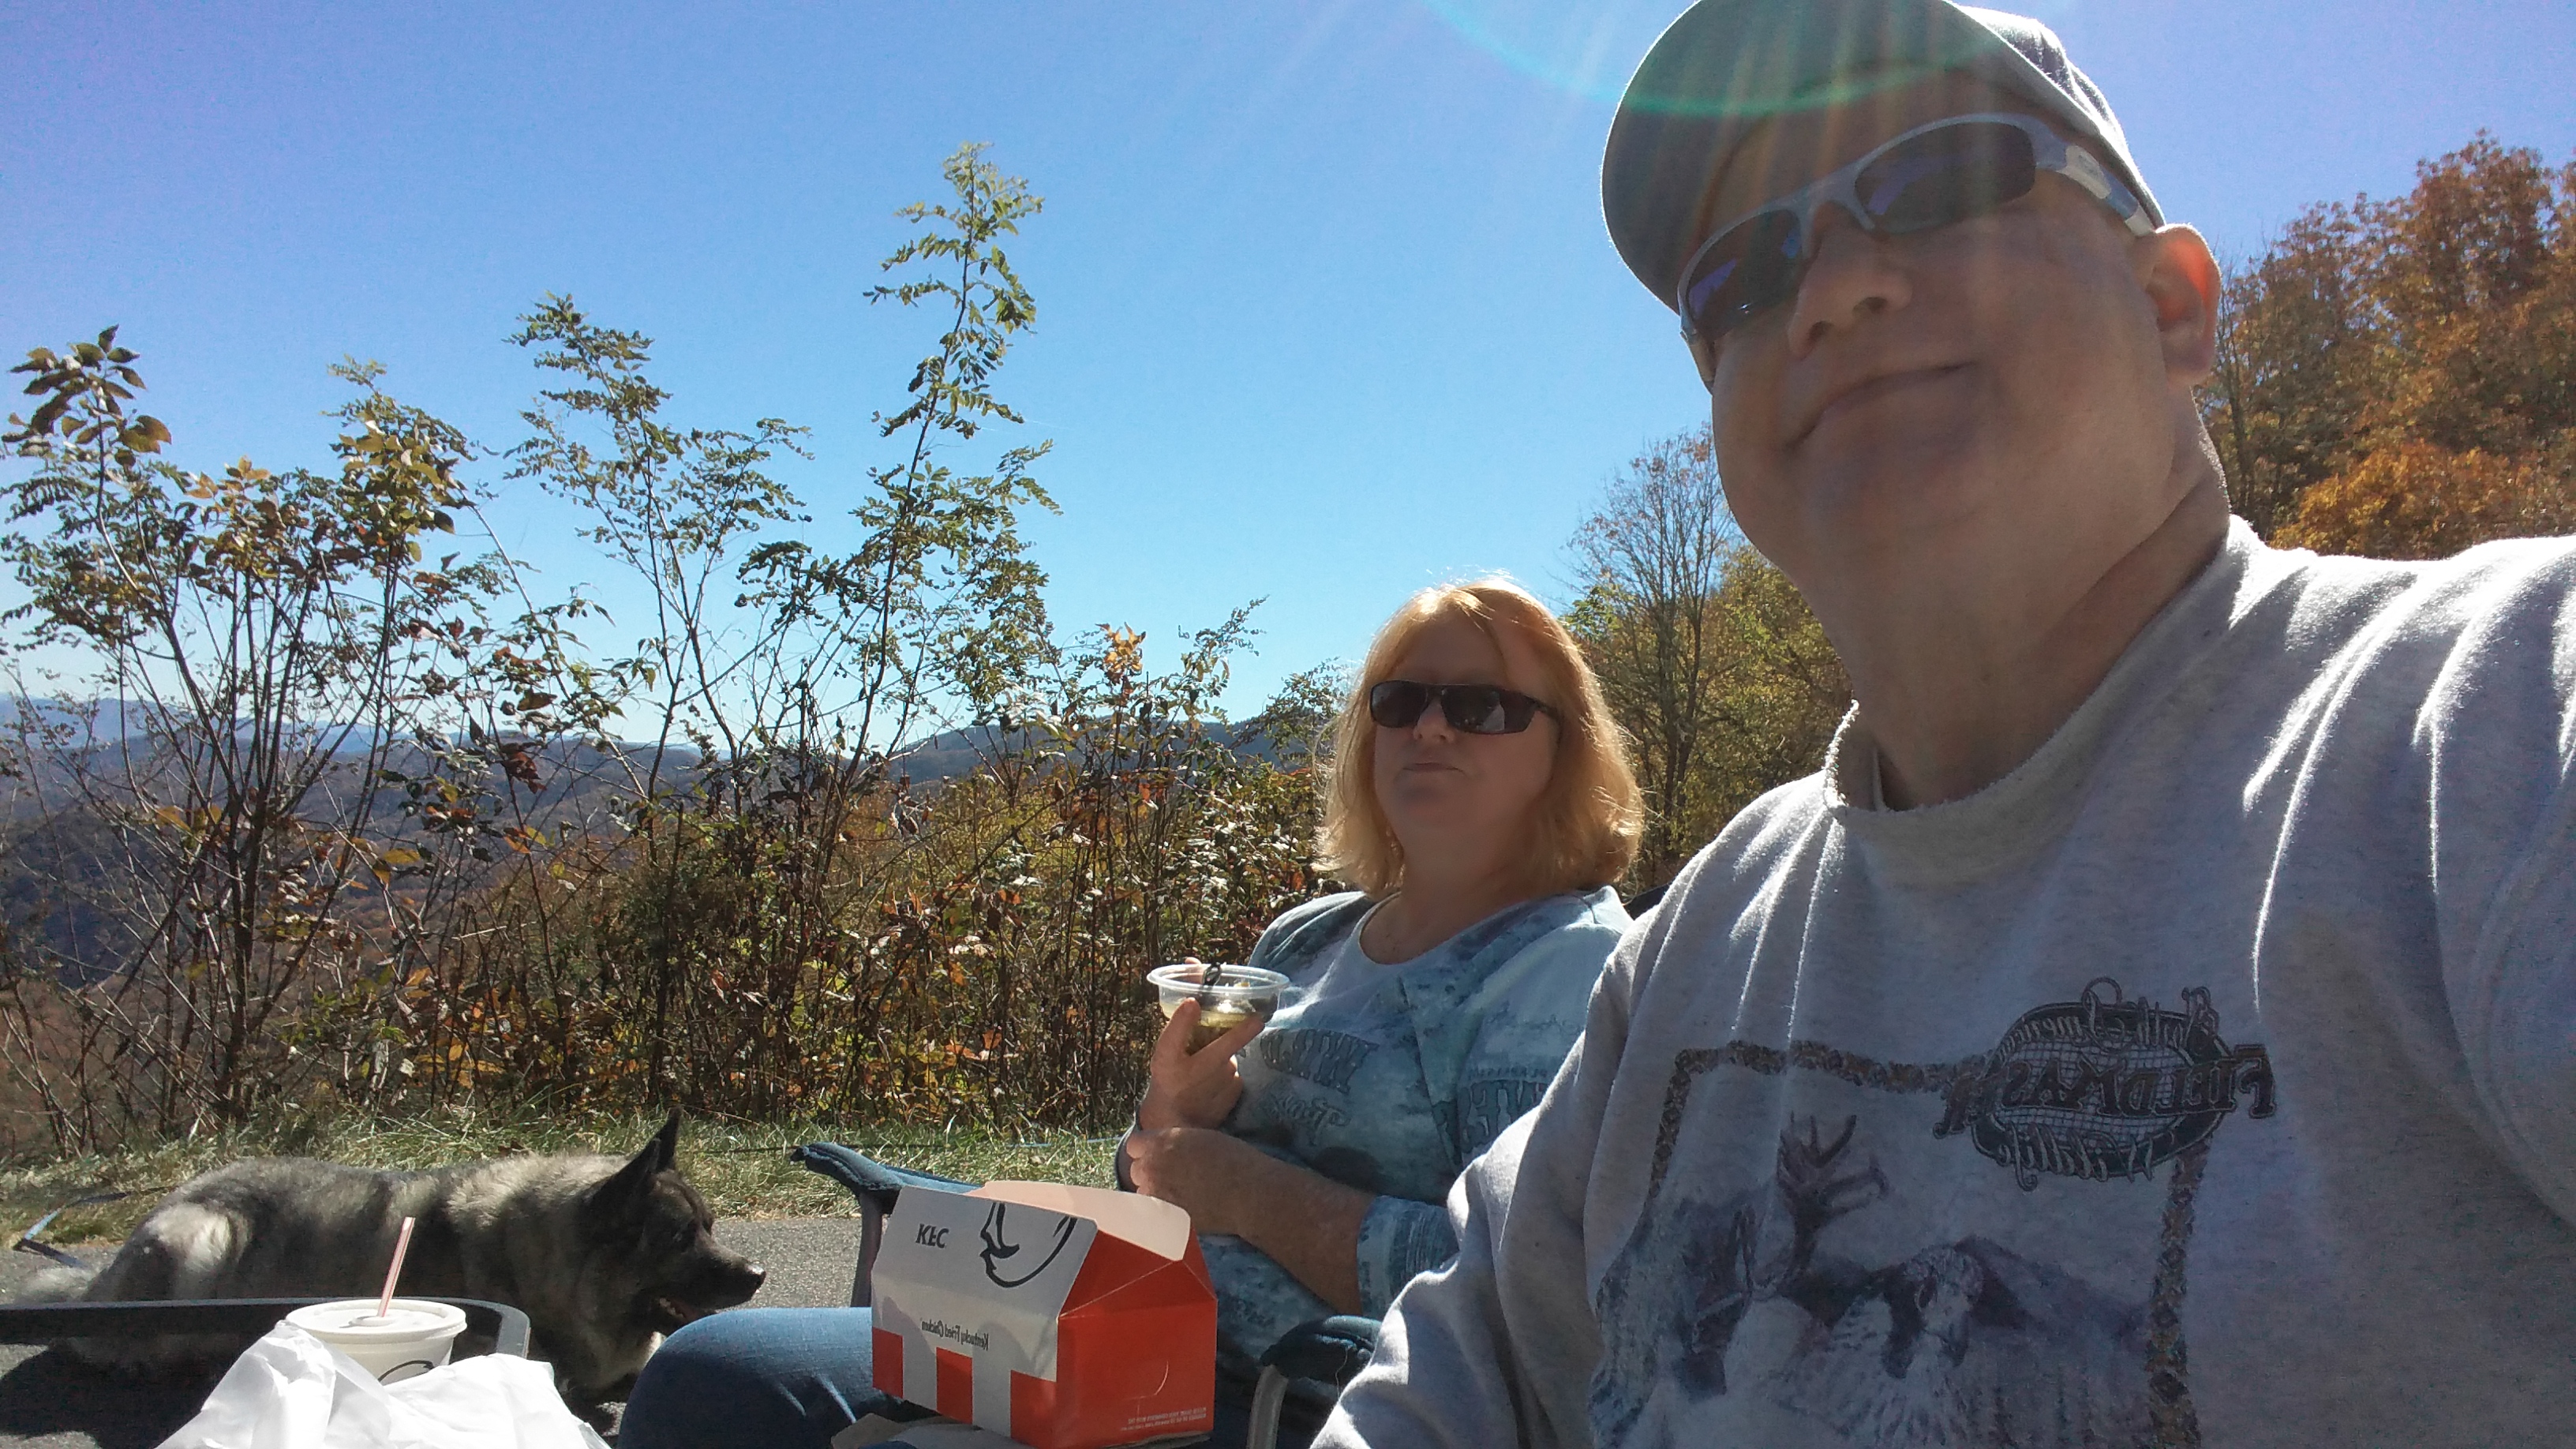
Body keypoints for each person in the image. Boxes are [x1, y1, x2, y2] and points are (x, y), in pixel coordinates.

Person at [1320, 5, 2576, 1447]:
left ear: (2172, 305)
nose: (1834, 290)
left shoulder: (2489, 730)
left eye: (1939, 183)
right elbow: (1450, 1388)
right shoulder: (1705, 938)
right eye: (1746, 270)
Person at [621, 578, 1644, 1449]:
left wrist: (1241, 1189)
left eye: (1481, 706)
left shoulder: (1561, 969)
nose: (1428, 726)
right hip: (1123, 1325)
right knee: (713, 1372)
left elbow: (1528, 1294)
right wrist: (1172, 1116)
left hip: (1287, 1400)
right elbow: (1157, 1176)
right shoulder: (1314, 937)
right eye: (1401, 698)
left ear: (1564, 750)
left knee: (725, 1389)